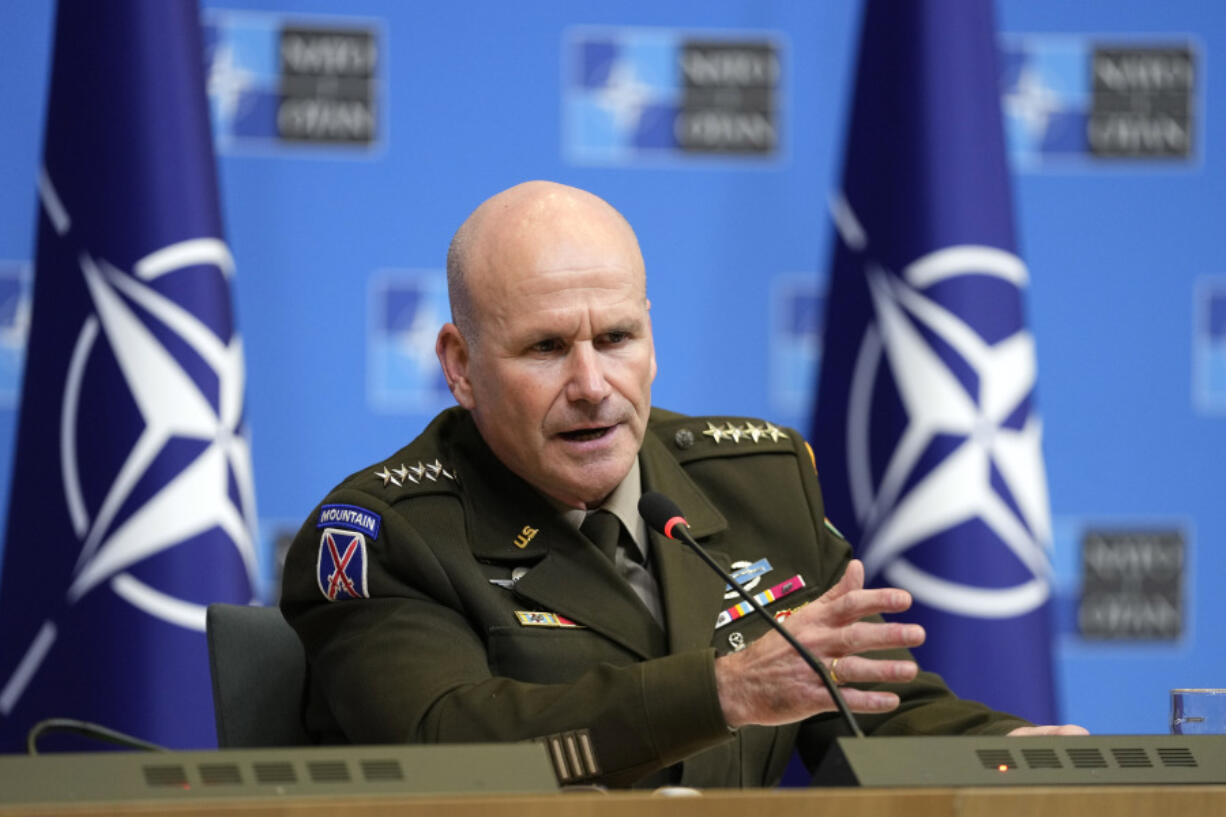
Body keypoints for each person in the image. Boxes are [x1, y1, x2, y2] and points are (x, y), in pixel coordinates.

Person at [280, 180, 1085, 789]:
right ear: (460, 365)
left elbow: (864, 705)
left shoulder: (757, 482)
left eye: (617, 337)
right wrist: (719, 690)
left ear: (651, 336)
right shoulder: (385, 535)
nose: (593, 383)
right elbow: (451, 754)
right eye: (547, 347)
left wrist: (1008, 755)